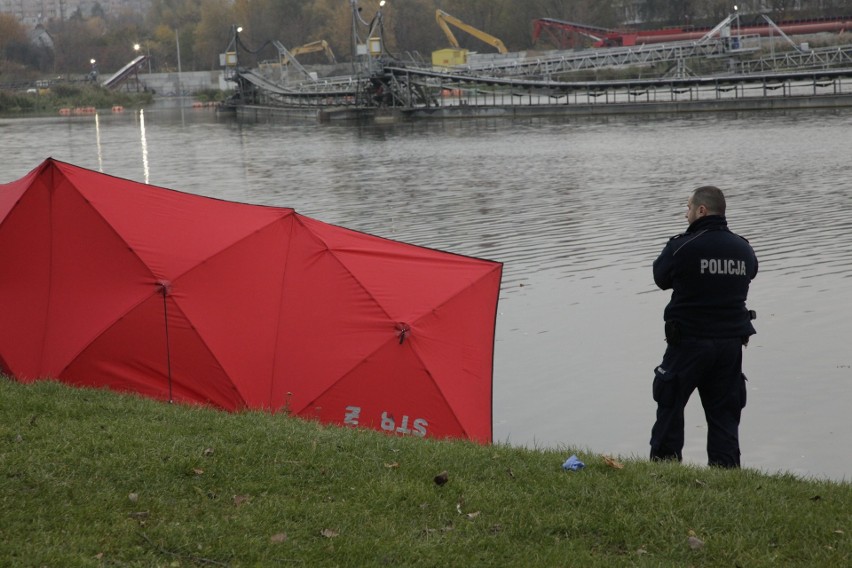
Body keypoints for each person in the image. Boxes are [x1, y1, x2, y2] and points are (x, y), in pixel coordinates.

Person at [650, 186, 758, 468]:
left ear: (701, 210)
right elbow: (752, 272)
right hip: (730, 345)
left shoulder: (682, 246)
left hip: (688, 343)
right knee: (724, 414)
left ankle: (665, 469)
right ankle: (726, 474)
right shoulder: (743, 248)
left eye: (687, 208)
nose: (685, 214)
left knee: (670, 405)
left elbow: (661, 278)